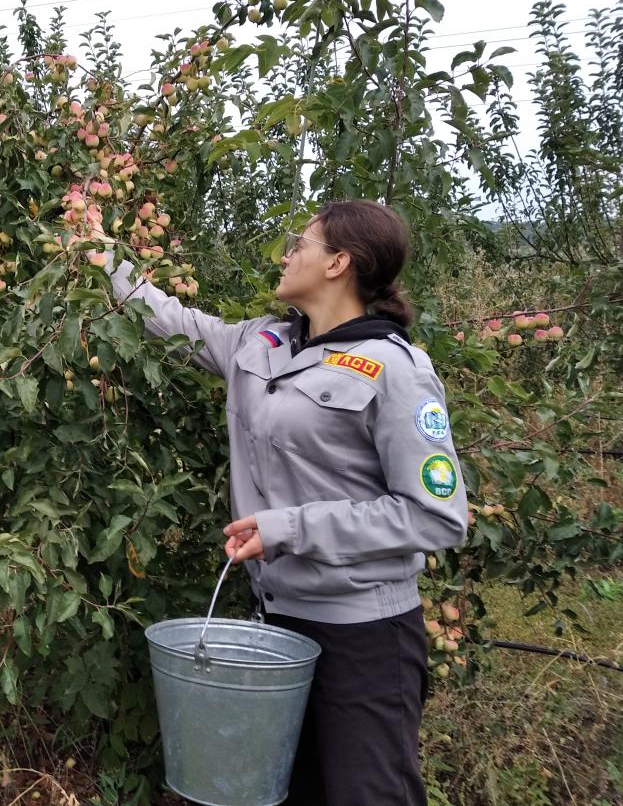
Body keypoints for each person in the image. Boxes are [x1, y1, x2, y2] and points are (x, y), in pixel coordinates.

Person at [104, 200, 467, 806]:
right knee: (279, 791)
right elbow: (164, 316)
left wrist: (289, 528)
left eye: (301, 243)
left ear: (339, 262)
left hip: (365, 634)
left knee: (367, 793)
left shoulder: (395, 370)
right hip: (275, 627)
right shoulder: (259, 342)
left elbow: (436, 513)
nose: (286, 254)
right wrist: (101, 250)